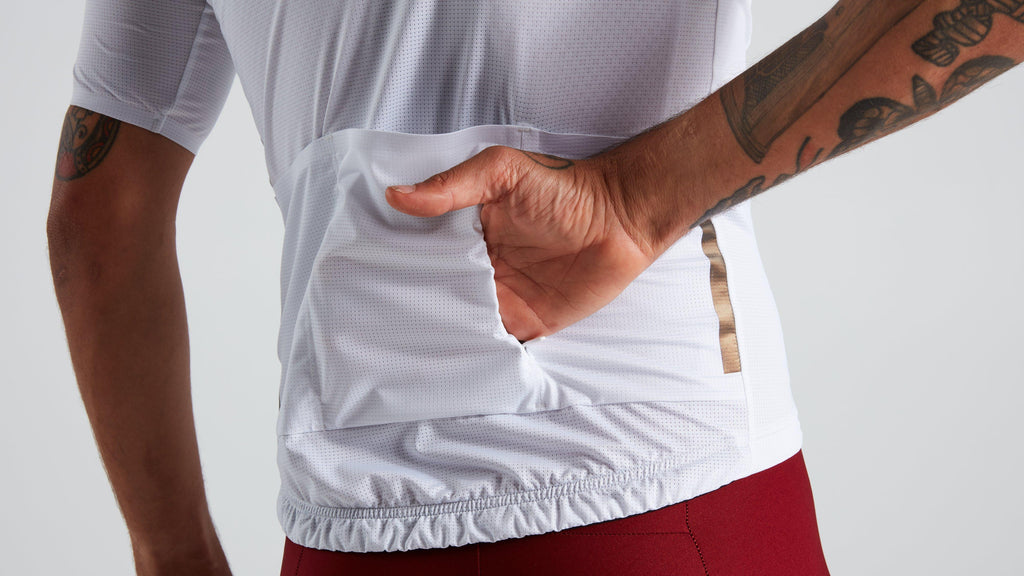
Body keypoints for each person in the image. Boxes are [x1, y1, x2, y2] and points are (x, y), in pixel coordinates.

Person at [46, 0, 1023, 574]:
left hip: (347, 524)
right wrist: (637, 199)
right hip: (660, 496)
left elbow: (99, 219)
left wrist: (176, 558)